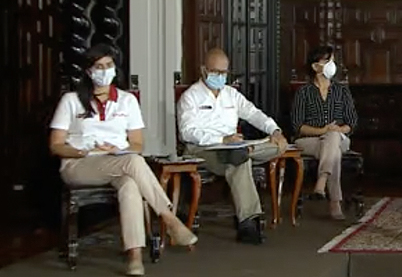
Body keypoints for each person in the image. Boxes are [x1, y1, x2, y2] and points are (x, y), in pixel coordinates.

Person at [49, 44, 197, 276]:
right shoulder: (71, 100)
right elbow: (55, 144)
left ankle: (134, 257)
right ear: (89, 71)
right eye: (99, 66)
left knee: (129, 184)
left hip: (117, 160)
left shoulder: (127, 101)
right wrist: (83, 150)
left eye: (108, 66)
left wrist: (118, 148)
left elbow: (138, 144)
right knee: (133, 163)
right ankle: (170, 219)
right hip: (79, 164)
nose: (104, 71)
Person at [177, 48, 288, 245]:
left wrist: (275, 130)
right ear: (203, 70)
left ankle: (248, 151)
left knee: (278, 146)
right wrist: (222, 140)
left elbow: (254, 113)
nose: (219, 76)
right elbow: (187, 132)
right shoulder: (190, 97)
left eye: (223, 73)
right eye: (215, 72)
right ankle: (249, 220)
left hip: (233, 147)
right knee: (239, 158)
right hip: (205, 149)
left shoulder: (231, 94)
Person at [291, 46, 358, 220]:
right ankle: (335, 202)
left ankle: (321, 183)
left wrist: (336, 130)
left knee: (333, 138)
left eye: (332, 61)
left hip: (340, 138)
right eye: (327, 61)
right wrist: (322, 130)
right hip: (309, 141)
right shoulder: (303, 93)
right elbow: (298, 126)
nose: (332, 65)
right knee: (331, 147)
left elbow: (351, 123)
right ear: (315, 67)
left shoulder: (341, 90)